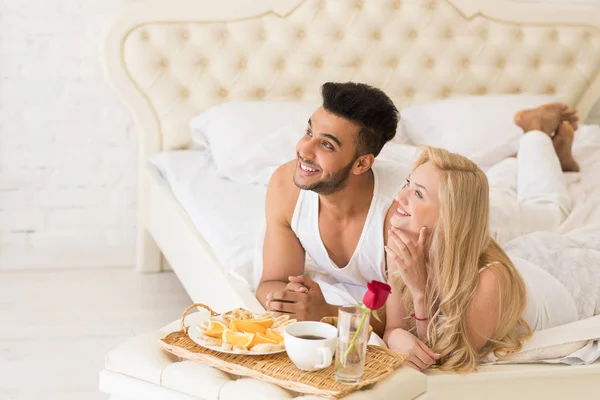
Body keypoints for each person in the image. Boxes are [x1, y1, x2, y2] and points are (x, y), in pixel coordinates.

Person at [383, 111, 600, 372]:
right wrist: (395, 336)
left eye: (417, 193)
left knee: (568, 222)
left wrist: (419, 292)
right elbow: (393, 328)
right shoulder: (403, 242)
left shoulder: (490, 281)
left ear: (450, 214)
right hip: (526, 256)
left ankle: (538, 135)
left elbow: (445, 360)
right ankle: (542, 150)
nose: (399, 196)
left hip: (567, 279)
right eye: (408, 184)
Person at [255, 81, 403, 336]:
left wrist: (327, 312)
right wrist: (284, 301)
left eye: (327, 145)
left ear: (361, 164)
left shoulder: (401, 214)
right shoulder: (285, 186)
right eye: (309, 133)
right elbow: (271, 282)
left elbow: (404, 318)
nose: (304, 150)